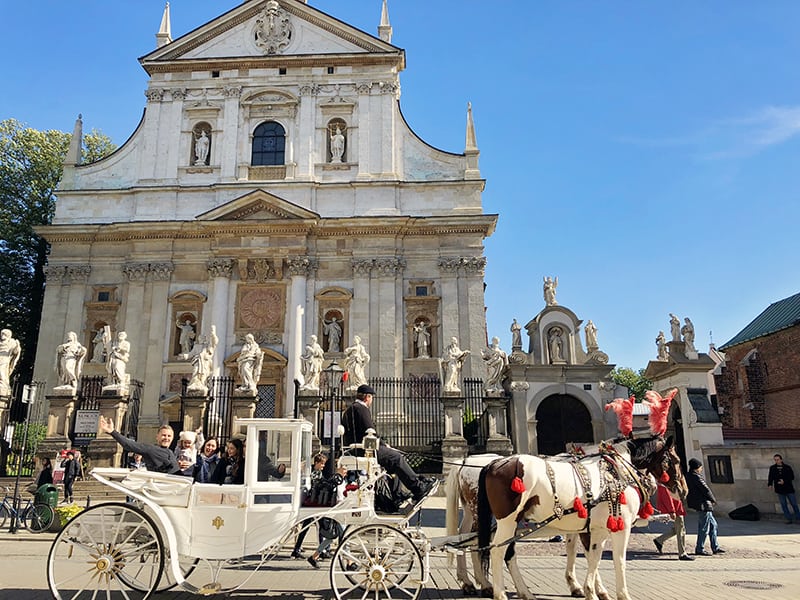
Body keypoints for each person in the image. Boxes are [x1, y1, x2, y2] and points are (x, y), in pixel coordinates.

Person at [342, 384, 434, 503]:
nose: (371, 401)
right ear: (367, 397)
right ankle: (418, 487)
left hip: (355, 449)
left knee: (392, 461)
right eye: (371, 398)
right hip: (365, 450)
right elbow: (370, 432)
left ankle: (397, 494)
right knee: (396, 457)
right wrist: (384, 445)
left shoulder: (349, 410)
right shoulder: (362, 409)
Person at [99, 415, 180, 474]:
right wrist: (113, 432)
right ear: (157, 437)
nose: (166, 438)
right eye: (163, 435)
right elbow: (129, 445)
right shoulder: (150, 449)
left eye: (169, 436)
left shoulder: (171, 452)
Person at [686, 457, 725, 556]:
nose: (701, 469)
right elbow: (706, 490)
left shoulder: (689, 476)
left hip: (699, 504)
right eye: (700, 467)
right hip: (703, 504)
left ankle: (715, 546)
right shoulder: (696, 477)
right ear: (697, 468)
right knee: (704, 527)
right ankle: (700, 548)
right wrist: (713, 499)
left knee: (713, 525)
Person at [653, 482, 694, 561]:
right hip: (675, 509)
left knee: (677, 529)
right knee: (681, 530)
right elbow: (667, 497)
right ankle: (682, 553)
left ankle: (659, 540)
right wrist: (672, 511)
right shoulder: (665, 482)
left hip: (676, 507)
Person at [179, 326, 218, 395]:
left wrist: (213, 334)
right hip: (197, 361)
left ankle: (202, 384)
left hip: (205, 363)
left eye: (202, 338)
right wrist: (184, 356)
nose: (201, 339)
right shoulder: (196, 346)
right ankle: (196, 384)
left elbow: (213, 343)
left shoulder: (207, 346)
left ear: (205, 339)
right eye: (200, 338)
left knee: (203, 375)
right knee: (195, 372)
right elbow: (191, 354)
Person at [767, 454, 800, 524]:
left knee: (794, 504)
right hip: (780, 489)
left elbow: (792, 476)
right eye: (775, 460)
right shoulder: (772, 468)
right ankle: (788, 518)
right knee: (783, 504)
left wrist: (784, 481)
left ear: (781, 460)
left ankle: (798, 517)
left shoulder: (787, 467)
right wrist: (770, 484)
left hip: (788, 488)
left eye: (778, 459)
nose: (777, 461)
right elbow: (770, 477)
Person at [0, 328, 21, 397]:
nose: (2, 335)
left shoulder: (11, 342)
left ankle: (3, 386)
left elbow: (15, 352)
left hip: (4, 360)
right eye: (2, 333)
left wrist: (17, 346)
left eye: (4, 334)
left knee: (2, 373)